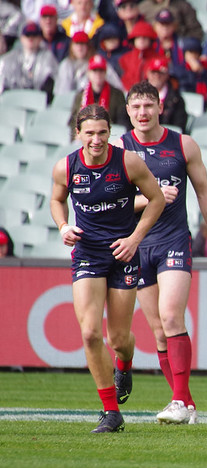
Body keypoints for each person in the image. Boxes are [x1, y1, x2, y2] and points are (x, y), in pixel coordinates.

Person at [113, 81, 207, 425]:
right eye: (136, 107)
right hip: (137, 244)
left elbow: (204, 191)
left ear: (160, 108)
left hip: (174, 241)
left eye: (149, 106)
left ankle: (177, 400)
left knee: (172, 316)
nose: (143, 113)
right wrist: (151, 198)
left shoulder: (183, 144)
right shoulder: (120, 148)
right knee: (159, 330)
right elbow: (113, 203)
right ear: (128, 112)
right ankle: (186, 403)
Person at [49, 103, 166, 433]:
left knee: (118, 338)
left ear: (110, 133)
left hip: (123, 254)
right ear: (78, 134)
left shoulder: (128, 162)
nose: (96, 140)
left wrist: (134, 239)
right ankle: (111, 412)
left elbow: (156, 199)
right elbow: (56, 200)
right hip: (88, 253)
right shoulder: (66, 167)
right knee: (89, 333)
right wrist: (63, 226)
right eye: (90, 133)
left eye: (102, 133)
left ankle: (124, 362)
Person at [69, 54, 131, 134]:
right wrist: (77, 134)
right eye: (94, 71)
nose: (98, 75)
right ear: (88, 73)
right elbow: (73, 121)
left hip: (109, 136)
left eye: (101, 71)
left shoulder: (117, 95)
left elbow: (122, 123)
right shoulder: (81, 95)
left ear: (105, 73)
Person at [0, 21, 58, 99]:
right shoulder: (10, 58)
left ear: (40, 38)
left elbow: (51, 84)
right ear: (21, 38)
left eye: (34, 35)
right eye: (27, 35)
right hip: (14, 100)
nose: (30, 39)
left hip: (38, 100)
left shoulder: (47, 57)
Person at [145, 56, 188, 131]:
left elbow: (179, 126)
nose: (157, 76)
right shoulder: (136, 96)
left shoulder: (176, 99)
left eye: (160, 73)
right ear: (148, 73)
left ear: (167, 74)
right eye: (153, 72)